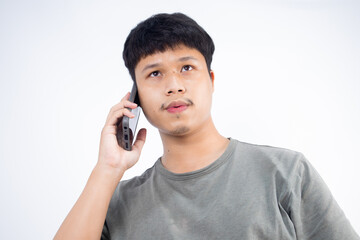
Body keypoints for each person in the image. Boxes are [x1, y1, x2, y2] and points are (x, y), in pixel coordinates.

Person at [54, 13, 359, 240]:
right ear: (135, 98)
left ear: (211, 81)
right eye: (154, 74)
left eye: (187, 68)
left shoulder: (286, 172)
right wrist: (107, 168)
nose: (174, 85)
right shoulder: (114, 202)